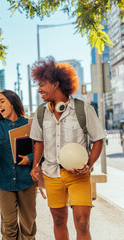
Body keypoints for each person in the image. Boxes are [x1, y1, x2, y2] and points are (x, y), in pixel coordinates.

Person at [30, 57, 105, 240]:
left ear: (56, 84)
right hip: (51, 173)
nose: (39, 89)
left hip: (78, 175)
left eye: (42, 84)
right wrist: (35, 166)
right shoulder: (41, 112)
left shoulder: (83, 109)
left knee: (82, 222)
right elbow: (38, 141)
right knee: (58, 221)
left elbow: (99, 139)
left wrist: (89, 164)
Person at [0, 90, 37, 240]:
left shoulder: (30, 124)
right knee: (8, 228)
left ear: (13, 101)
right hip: (4, 183)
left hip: (27, 181)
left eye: (2, 101)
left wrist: (30, 157)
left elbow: (41, 149)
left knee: (28, 227)